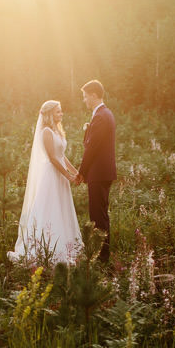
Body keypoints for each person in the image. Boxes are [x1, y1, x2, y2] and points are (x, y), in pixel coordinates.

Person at [8, 100, 83, 265]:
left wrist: (75, 171)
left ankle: (67, 246)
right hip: (52, 175)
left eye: (61, 111)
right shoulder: (46, 132)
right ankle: (46, 249)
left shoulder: (57, 130)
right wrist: (68, 176)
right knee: (50, 209)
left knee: (62, 208)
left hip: (61, 175)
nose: (61, 114)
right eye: (58, 112)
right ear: (49, 114)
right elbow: (53, 159)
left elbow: (62, 155)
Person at [76, 79, 116, 263]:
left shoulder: (100, 116)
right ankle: (103, 254)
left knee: (97, 216)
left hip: (98, 174)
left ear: (93, 95)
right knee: (101, 214)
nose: (84, 100)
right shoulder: (106, 114)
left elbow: (91, 148)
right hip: (104, 173)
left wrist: (81, 171)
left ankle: (102, 257)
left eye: (85, 96)